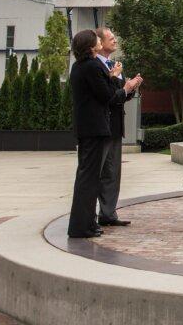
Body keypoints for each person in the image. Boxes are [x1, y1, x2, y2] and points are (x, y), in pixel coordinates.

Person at [67, 29, 140, 238]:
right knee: (88, 179)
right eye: (98, 39)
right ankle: (82, 226)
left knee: (87, 178)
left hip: (90, 128)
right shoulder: (92, 66)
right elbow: (107, 96)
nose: (101, 41)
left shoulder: (80, 66)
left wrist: (116, 81)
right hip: (95, 128)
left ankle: (86, 224)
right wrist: (122, 85)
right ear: (92, 46)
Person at [94, 27, 132, 227]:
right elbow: (106, 96)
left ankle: (108, 213)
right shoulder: (95, 66)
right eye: (111, 38)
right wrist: (117, 83)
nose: (115, 41)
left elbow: (119, 96)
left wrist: (130, 88)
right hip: (101, 127)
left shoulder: (115, 65)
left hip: (115, 127)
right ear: (99, 43)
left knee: (112, 173)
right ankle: (89, 216)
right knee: (97, 172)